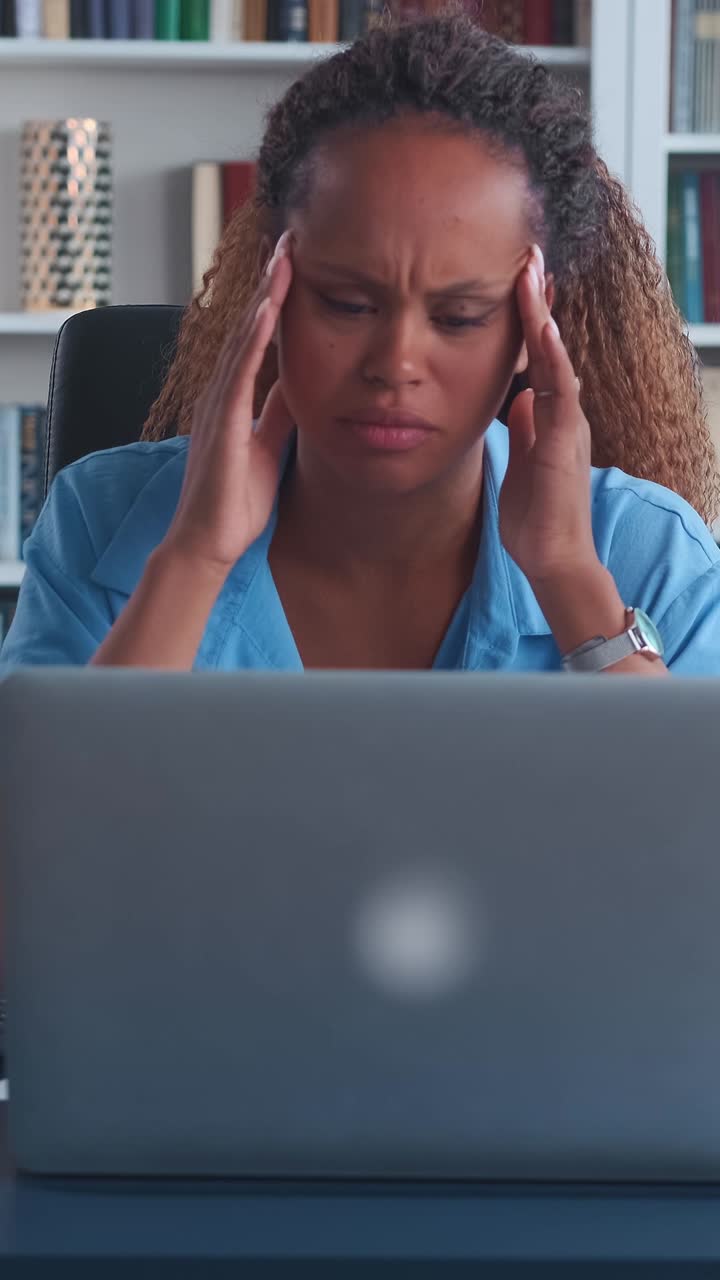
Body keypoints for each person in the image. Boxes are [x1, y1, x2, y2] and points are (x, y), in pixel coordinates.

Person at [1, 5, 719, 676]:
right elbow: (56, 809)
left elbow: (685, 812)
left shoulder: (650, 553)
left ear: (537, 325)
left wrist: (567, 573)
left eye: (460, 316)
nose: (395, 365)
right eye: (347, 303)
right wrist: (193, 557)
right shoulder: (102, 518)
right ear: (269, 285)